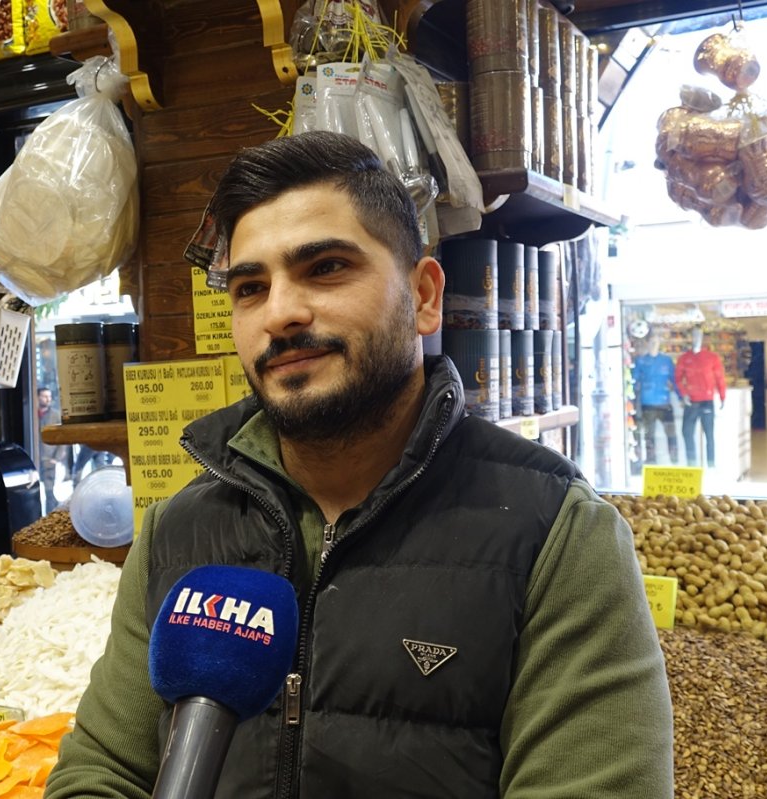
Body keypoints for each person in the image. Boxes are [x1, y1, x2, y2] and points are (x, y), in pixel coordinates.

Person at [45, 131, 672, 799]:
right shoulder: (179, 531)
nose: (281, 313)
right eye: (250, 287)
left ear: (424, 296)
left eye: (326, 268)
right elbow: (100, 770)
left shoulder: (556, 533)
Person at [674, 327, 726, 468]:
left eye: (699, 335)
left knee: (709, 435)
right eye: (694, 335)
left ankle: (711, 464)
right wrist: (684, 394)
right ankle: (692, 464)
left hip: (707, 401)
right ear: (690, 337)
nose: (697, 338)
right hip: (691, 401)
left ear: (703, 338)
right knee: (687, 433)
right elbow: (678, 379)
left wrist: (722, 396)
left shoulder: (712, 357)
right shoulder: (684, 359)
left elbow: (719, 378)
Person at [631, 333, 679, 465]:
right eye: (651, 342)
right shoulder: (641, 361)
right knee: (649, 436)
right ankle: (651, 462)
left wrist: (680, 396)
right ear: (647, 343)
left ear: (659, 343)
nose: (654, 344)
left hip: (665, 403)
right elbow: (635, 382)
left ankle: (674, 461)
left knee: (671, 434)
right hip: (648, 404)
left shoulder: (666, 361)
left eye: (656, 342)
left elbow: (674, 380)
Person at [37, 386, 65, 512]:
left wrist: (57, 458)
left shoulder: (55, 415)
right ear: (38, 397)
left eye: (49, 396)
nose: (48, 399)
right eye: (45, 396)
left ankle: (50, 518)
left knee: (49, 492)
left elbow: (63, 438)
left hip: (49, 459)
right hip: (36, 459)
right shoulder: (32, 414)